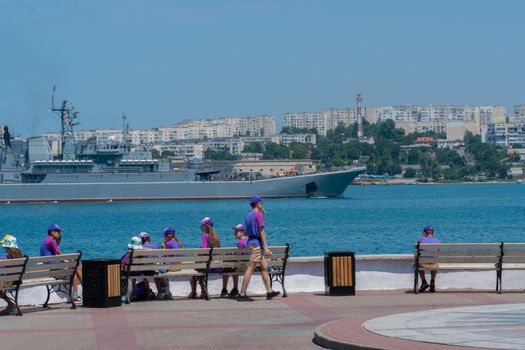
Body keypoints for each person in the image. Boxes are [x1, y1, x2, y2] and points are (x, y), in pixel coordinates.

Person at [237, 196, 280, 302]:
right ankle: (242, 294)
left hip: (251, 242)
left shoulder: (248, 215)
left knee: (264, 266)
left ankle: (269, 292)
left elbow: (251, 228)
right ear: (257, 203)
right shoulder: (258, 214)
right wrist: (265, 247)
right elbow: (261, 231)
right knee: (250, 268)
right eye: (261, 202)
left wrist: (262, 215)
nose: (262, 203)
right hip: (257, 244)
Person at [40, 224, 83, 302]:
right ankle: (86, 289)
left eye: (59, 232)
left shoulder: (46, 240)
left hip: (51, 268)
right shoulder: (51, 241)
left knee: (75, 268)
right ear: (52, 232)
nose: (59, 234)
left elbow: (57, 255)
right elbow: (60, 255)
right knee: (77, 266)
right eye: (57, 232)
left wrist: (58, 243)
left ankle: (76, 295)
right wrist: (71, 262)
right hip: (54, 271)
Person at [189, 217, 220, 299]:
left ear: (206, 226)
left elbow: (204, 251)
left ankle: (195, 292)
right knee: (200, 269)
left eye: (202, 224)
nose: (201, 226)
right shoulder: (216, 237)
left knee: (192, 273)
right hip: (216, 266)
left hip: (208, 267)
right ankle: (203, 290)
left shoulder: (205, 237)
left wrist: (196, 256)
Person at [121, 236, 154, 301]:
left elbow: (122, 264)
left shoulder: (128, 253)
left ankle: (129, 294)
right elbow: (150, 251)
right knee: (141, 271)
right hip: (140, 272)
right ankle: (147, 291)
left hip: (130, 272)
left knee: (124, 273)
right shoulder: (143, 253)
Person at [221, 224, 248, 298]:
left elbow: (238, 257)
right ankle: (235, 289)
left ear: (242, 232)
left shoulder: (240, 242)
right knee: (233, 266)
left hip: (243, 266)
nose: (234, 233)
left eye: (236, 231)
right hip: (249, 265)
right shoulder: (249, 240)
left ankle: (224, 289)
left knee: (227, 266)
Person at [0, 235, 23, 315]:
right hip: (17, 281)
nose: (3, 247)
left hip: (8, 282)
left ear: (7, 247)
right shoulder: (21, 257)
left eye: (4, 246)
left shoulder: (5, 259)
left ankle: (11, 305)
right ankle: (10, 305)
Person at [417, 225, 440, 293]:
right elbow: (438, 252)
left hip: (424, 264)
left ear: (425, 233)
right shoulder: (437, 241)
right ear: (433, 233)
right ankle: (432, 282)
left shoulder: (421, 240)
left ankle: (424, 282)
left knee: (417, 264)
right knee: (435, 261)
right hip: (434, 264)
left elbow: (418, 251)